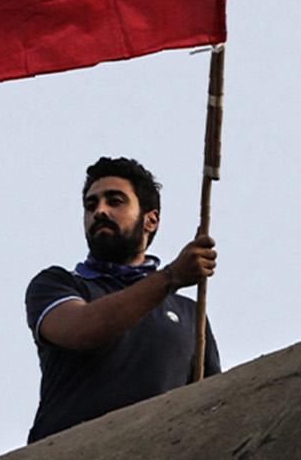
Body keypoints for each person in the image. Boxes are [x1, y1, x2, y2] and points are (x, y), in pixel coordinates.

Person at [24, 157, 220, 442]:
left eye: (115, 201)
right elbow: (82, 330)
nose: (100, 211)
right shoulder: (57, 284)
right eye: (91, 206)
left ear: (150, 220)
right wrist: (170, 277)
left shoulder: (190, 313)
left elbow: (211, 405)